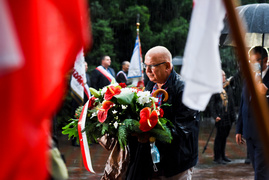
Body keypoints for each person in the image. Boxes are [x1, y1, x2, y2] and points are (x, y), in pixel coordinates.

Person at [126, 46, 200, 180]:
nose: (147, 71)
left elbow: (183, 130)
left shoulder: (186, 91)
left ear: (167, 66)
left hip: (177, 162)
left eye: (152, 66)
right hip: (154, 162)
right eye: (145, 66)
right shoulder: (150, 86)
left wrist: (148, 133)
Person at [236, 46, 269, 179]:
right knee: (258, 167)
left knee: (260, 171)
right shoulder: (248, 78)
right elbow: (243, 103)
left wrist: (266, 93)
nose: (252, 64)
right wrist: (239, 129)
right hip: (249, 133)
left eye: (255, 61)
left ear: (265, 60)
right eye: (250, 61)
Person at [210, 70, 236, 164]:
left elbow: (231, 101)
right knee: (219, 137)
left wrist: (233, 116)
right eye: (222, 75)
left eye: (224, 75)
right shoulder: (215, 88)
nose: (224, 77)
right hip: (220, 116)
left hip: (228, 116)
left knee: (225, 137)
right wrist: (215, 116)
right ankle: (217, 157)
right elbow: (212, 104)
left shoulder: (227, 87)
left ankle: (223, 155)